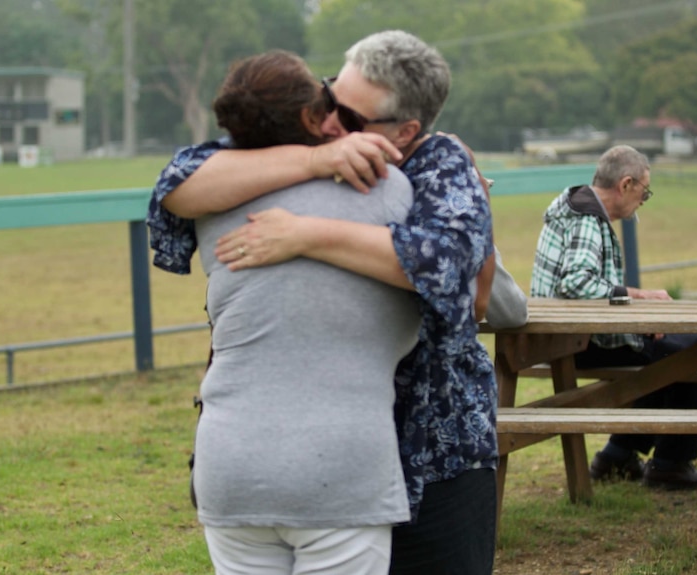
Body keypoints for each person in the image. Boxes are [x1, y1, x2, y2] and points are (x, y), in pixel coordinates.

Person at [150, 30, 504, 575]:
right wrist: (314, 163)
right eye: (328, 96)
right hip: (313, 444)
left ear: (406, 130)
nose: (331, 122)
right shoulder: (295, 147)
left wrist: (306, 233)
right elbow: (176, 185)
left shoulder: (439, 161)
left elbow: (449, 265)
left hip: (432, 437)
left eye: (353, 120)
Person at [530, 144, 697, 490]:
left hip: (560, 336)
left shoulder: (576, 207)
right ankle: (671, 465)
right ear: (626, 184)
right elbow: (577, 284)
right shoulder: (588, 220)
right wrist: (642, 297)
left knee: (667, 349)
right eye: (644, 192)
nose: (643, 200)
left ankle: (617, 455)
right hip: (577, 340)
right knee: (694, 353)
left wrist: (638, 320)